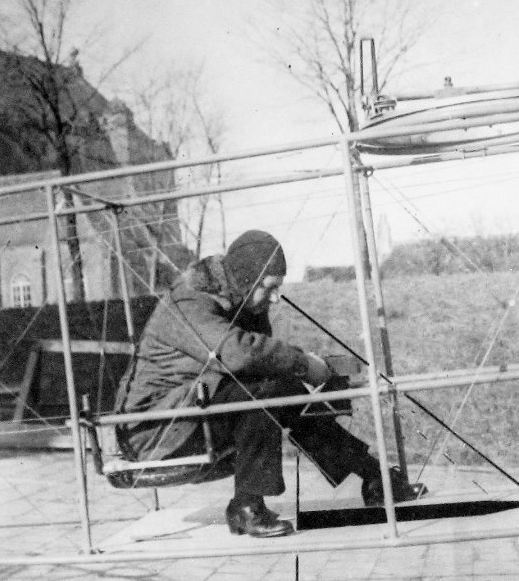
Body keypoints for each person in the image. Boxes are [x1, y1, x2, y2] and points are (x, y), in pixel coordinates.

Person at [114, 230, 422, 538]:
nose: (276, 297)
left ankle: (373, 477)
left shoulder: (240, 302)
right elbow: (238, 353)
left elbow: (262, 360)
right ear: (246, 280)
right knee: (264, 395)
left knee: (284, 391)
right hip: (152, 431)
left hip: (190, 414)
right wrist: (304, 365)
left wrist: (300, 371)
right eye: (270, 287)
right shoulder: (190, 301)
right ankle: (246, 507)